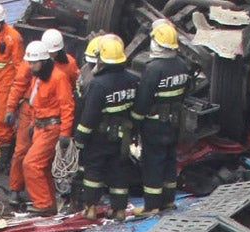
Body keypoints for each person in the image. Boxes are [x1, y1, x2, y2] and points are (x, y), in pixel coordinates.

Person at [75, 35, 136, 217]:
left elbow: (89, 116)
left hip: (99, 137)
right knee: (119, 170)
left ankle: (91, 208)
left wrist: (80, 139)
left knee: (94, 169)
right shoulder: (132, 80)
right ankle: (119, 210)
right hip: (122, 135)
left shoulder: (98, 84)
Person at [10, 37, 73, 214]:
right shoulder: (37, 78)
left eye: (33, 63)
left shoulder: (58, 78)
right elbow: (35, 102)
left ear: (44, 61)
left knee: (31, 164)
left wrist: (65, 133)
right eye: (29, 63)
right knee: (42, 167)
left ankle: (43, 204)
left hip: (51, 128)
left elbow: (67, 106)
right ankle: (49, 204)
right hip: (39, 127)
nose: (30, 67)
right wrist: (32, 123)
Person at [133, 19, 191, 207]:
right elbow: (187, 92)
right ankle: (168, 200)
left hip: (154, 124)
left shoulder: (153, 69)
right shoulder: (182, 65)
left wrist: (135, 120)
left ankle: (151, 205)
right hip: (174, 122)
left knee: (153, 163)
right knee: (169, 160)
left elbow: (143, 100)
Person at [0, 1, 27, 182]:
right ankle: (2, 157)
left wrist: (19, 94)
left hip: (6, 85)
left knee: (3, 124)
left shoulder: (13, 38)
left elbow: (20, 68)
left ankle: (3, 162)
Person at [38, 26, 78, 91]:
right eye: (49, 52)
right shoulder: (35, 61)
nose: (51, 55)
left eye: (53, 52)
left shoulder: (70, 62)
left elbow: (75, 82)